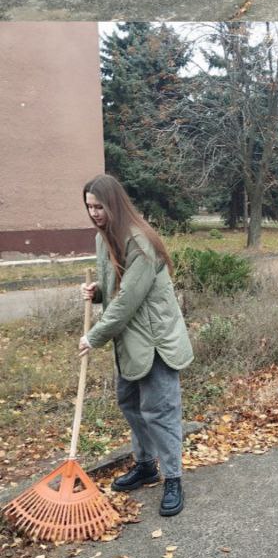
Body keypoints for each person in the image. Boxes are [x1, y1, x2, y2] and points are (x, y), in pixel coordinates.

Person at [80, 173, 193, 517]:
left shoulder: (140, 240)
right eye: (89, 207)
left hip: (156, 342)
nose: (94, 213)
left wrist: (94, 335)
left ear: (114, 204)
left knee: (160, 411)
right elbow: (115, 283)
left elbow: (130, 297)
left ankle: (173, 478)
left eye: (99, 206)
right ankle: (146, 465)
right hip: (130, 341)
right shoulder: (106, 237)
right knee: (130, 404)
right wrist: (97, 291)